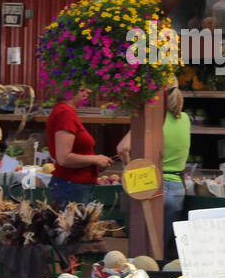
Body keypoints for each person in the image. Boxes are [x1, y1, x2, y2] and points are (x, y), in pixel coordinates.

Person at [117, 86, 191, 262]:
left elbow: (122, 148)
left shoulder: (154, 122)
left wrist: (131, 167)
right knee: (162, 251)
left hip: (151, 185)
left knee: (142, 251)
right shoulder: (185, 119)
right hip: (177, 188)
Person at [46, 87, 113, 207]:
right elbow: (64, 158)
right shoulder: (65, 113)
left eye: (87, 89)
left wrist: (96, 163)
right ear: (68, 89)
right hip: (71, 185)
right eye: (81, 89)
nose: (88, 92)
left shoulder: (67, 112)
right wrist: (96, 159)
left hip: (74, 185)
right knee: (72, 225)